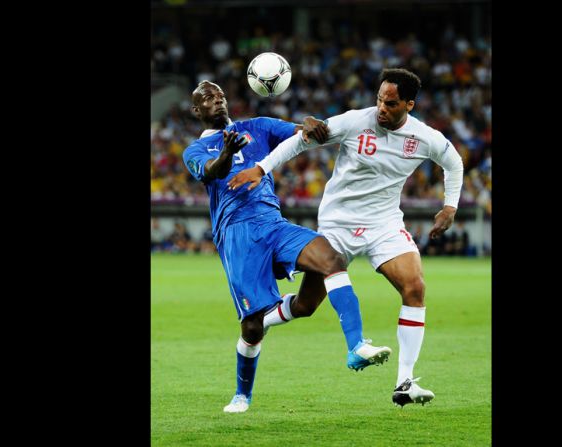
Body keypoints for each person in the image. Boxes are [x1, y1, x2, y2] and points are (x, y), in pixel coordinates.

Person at [228, 68, 464, 407]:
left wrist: (450, 206)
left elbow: (453, 162)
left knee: (415, 288)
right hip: (338, 223)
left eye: (391, 103)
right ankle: (264, 320)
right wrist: (261, 168)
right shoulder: (355, 121)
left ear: (409, 105)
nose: (382, 107)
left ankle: (404, 383)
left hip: (383, 224)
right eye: (380, 99)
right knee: (306, 306)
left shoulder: (424, 138)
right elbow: (299, 142)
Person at [182, 80, 391, 414]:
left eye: (220, 95)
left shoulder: (258, 127)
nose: (217, 100)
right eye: (208, 98)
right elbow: (210, 172)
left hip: (274, 223)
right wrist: (225, 152)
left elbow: (301, 133)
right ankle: (242, 395)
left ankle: (356, 346)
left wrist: (309, 122)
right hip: (237, 235)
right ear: (197, 110)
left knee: (332, 259)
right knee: (251, 326)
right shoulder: (195, 150)